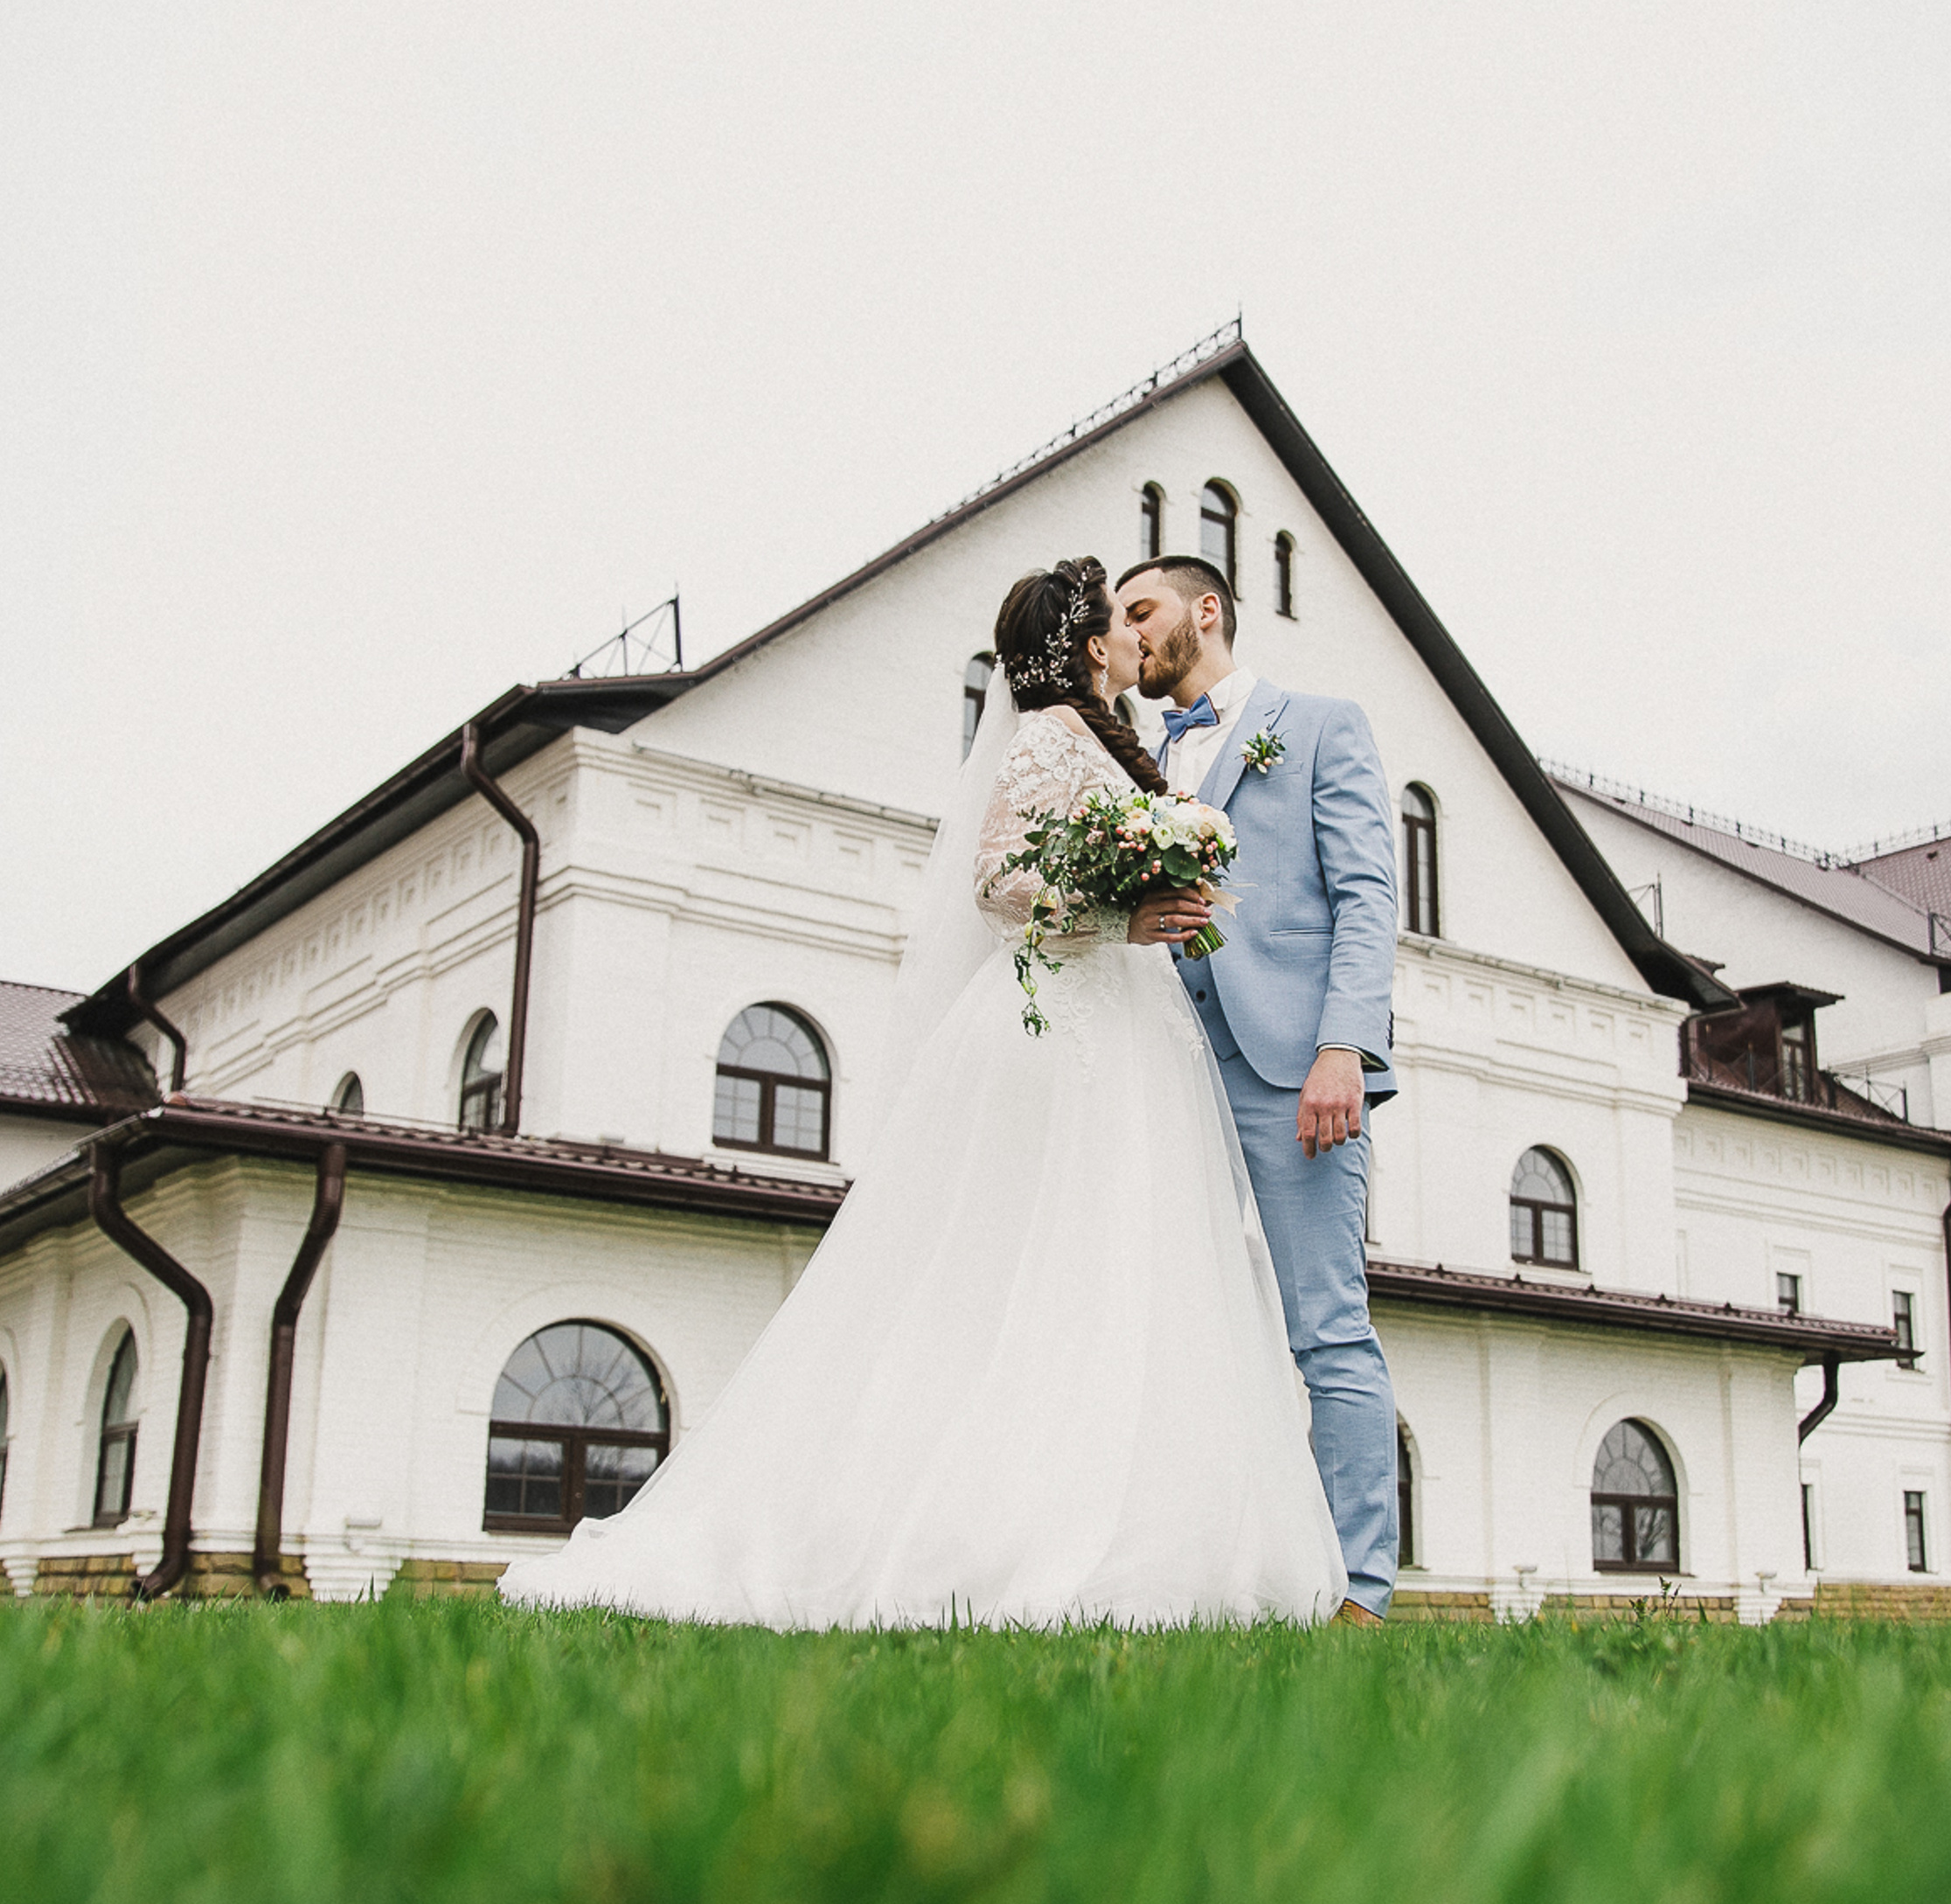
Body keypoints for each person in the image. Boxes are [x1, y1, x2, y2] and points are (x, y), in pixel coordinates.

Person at [498, 558, 1345, 1630]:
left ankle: (1137, 1516)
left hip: (1126, 1032)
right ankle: (1006, 1529)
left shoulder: (1101, 738)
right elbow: (995, 884)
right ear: (1090, 648)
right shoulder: (1047, 736)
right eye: (1120, 624)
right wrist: (1117, 917)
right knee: (1040, 1273)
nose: (1138, 637)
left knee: (1121, 1273)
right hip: (1065, 1030)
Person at [1117, 554, 1401, 1624]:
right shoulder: (1128, 756)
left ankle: (1359, 1594)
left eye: (1141, 612)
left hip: (1289, 1070)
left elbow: (1368, 894)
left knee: (1326, 1331)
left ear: (1206, 611)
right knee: (1180, 1327)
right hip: (1156, 1062)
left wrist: (1345, 1048)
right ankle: (1217, 1577)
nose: (1129, 634)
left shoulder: (1322, 724)